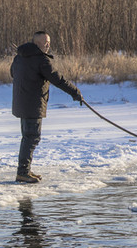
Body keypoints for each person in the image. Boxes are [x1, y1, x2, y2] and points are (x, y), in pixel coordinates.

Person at [10, 30, 83, 183]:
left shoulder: (19, 57)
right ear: (36, 43)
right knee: (32, 137)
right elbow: (58, 79)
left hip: (22, 102)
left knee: (28, 137)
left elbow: (13, 73)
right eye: (45, 42)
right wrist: (75, 92)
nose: (48, 45)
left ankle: (25, 170)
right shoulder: (41, 60)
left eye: (49, 42)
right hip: (33, 103)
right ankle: (23, 172)